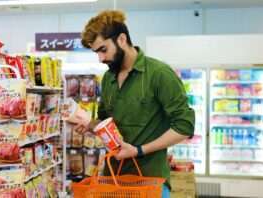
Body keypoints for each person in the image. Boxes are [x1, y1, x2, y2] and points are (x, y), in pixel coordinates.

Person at [79, 10, 195, 198]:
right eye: (96, 52)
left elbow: (185, 126)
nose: (100, 58)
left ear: (122, 39)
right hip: (113, 181)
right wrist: (90, 125)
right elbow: (105, 120)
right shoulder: (108, 78)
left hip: (150, 182)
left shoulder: (159, 74)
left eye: (103, 49)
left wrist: (138, 150)